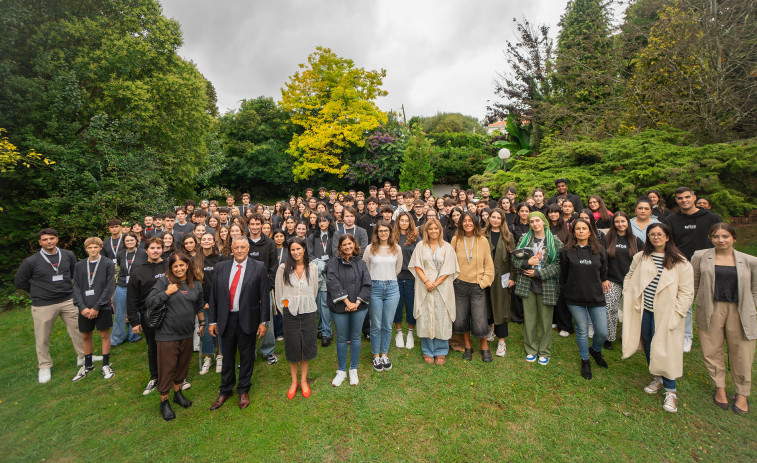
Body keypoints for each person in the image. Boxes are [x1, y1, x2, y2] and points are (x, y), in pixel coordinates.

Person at [622, 223, 694, 413]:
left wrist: (677, 313)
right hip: (645, 309)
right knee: (647, 341)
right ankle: (657, 377)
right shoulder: (641, 257)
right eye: (652, 234)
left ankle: (671, 391)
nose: (656, 237)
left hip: (667, 313)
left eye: (660, 234)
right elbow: (629, 276)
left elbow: (687, 293)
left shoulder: (681, 262)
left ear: (668, 237)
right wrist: (628, 293)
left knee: (664, 348)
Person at [692, 223, 757, 415]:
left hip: (740, 310)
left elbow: (755, 288)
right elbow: (693, 284)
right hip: (711, 308)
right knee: (711, 349)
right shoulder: (700, 257)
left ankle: (742, 392)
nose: (721, 240)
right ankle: (719, 386)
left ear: (733, 238)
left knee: (742, 351)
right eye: (716, 236)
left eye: (725, 236)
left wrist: (752, 307)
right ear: (711, 238)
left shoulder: (750, 261)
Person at [14, 228, 87, 383]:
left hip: (68, 299)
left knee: (78, 329)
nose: (49, 241)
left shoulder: (68, 255)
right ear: (40, 242)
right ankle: (44, 365)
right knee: (42, 337)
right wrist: (37, 292)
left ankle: (83, 356)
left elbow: (75, 274)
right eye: (45, 239)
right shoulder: (31, 262)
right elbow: (19, 282)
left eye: (51, 238)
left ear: (57, 239)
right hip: (43, 304)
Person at [208, 237, 271, 411]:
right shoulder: (221, 267)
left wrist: (263, 322)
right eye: (237, 247)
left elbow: (264, 297)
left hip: (248, 319)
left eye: (243, 247)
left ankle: (243, 390)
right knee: (227, 356)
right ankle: (226, 390)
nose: (240, 250)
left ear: (248, 248)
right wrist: (212, 320)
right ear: (232, 249)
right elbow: (213, 296)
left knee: (247, 357)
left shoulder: (258, 267)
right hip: (226, 319)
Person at [145, 253, 205, 421]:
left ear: (188, 265)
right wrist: (166, 293)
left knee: (182, 366)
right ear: (171, 268)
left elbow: (199, 305)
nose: (179, 269)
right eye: (175, 266)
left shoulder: (196, 284)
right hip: (167, 334)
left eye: (182, 265)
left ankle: (178, 394)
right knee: (167, 368)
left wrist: (202, 324)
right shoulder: (165, 282)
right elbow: (149, 302)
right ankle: (164, 401)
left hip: (186, 332)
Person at [664, 187, 723, 353]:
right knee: (685, 303)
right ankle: (686, 336)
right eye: (680, 198)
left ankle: (714, 334)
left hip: (708, 264)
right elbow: (668, 244)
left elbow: (721, 238)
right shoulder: (671, 220)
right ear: (676, 200)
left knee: (710, 301)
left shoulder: (712, 218)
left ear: (694, 197)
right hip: (681, 265)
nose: (684, 200)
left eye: (687, 197)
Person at [511, 212, 564, 365]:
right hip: (527, 284)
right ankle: (531, 349)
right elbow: (514, 259)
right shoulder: (524, 240)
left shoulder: (554, 241)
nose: (535, 224)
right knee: (529, 319)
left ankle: (545, 351)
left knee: (546, 321)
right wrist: (527, 262)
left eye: (537, 221)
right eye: (532, 221)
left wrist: (539, 273)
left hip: (545, 284)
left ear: (544, 222)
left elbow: (558, 265)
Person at [560, 219, 609, 380]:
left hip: (595, 296)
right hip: (575, 297)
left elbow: (603, 271)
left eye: (584, 228)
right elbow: (564, 275)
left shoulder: (599, 250)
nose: (581, 231)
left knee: (602, 331)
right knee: (582, 330)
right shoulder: (567, 252)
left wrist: (604, 280)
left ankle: (595, 349)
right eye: (578, 229)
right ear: (573, 232)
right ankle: (585, 360)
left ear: (590, 232)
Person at [408, 218, 459, 365]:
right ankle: (428, 350)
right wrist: (427, 282)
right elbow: (417, 265)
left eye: (436, 229)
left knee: (442, 316)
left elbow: (449, 268)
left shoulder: (447, 247)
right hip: (424, 285)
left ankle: (441, 350)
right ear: (426, 231)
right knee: (425, 316)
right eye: (430, 229)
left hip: (443, 286)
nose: (433, 231)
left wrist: (436, 283)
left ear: (440, 230)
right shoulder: (420, 246)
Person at [275, 237, 319, 399]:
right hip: (290, 313)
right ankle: (294, 382)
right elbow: (279, 292)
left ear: (304, 249)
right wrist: (286, 308)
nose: (296, 252)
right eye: (293, 250)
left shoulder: (312, 267)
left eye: (298, 249)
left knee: (306, 346)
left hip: (308, 312)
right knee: (293, 347)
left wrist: (305, 304)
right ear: (289, 251)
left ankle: (303, 380)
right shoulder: (283, 269)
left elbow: (313, 290)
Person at [327, 234, 372, 386]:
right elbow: (333, 283)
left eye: (350, 244)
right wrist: (346, 301)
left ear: (354, 245)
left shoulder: (361, 263)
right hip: (340, 306)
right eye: (344, 244)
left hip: (359, 307)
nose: (347, 247)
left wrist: (356, 303)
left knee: (355, 337)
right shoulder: (333, 263)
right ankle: (341, 371)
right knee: (341, 338)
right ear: (340, 247)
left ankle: (353, 369)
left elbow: (367, 284)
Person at [127, 236, 169, 395]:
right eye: (152, 248)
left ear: (163, 249)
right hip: (149, 314)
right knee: (153, 346)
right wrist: (134, 321)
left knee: (172, 345)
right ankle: (155, 376)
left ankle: (175, 375)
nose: (156, 251)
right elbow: (131, 298)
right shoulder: (138, 271)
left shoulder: (169, 266)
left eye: (158, 248)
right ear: (146, 251)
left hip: (170, 312)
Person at [451, 211, 495, 362]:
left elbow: (489, 264)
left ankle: (484, 347)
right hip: (460, 285)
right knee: (462, 317)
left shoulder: (482, 240)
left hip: (477, 285)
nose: (467, 223)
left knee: (480, 318)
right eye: (465, 220)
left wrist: (483, 282)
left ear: (475, 222)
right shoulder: (456, 240)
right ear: (461, 223)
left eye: (470, 220)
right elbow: (450, 262)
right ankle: (468, 346)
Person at [71, 237, 116, 382]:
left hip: (101, 307)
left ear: (100, 248)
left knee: (104, 334)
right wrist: (82, 307)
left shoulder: (107, 263)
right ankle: (88, 364)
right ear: (86, 249)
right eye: (90, 248)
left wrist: (97, 306)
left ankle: (105, 364)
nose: (93, 250)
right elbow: (76, 287)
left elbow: (109, 287)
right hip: (85, 307)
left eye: (95, 247)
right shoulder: (79, 265)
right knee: (85, 335)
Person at [363, 221, 402, 371]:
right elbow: (365, 269)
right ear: (376, 233)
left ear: (390, 232)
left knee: (387, 324)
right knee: (376, 324)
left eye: (386, 230)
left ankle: (384, 354)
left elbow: (397, 268)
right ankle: (375, 356)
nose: (383, 233)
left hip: (392, 288)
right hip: (375, 288)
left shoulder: (396, 248)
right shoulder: (370, 248)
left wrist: (388, 277)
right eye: (380, 231)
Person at [603, 211, 643, 350]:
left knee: (628, 311)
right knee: (610, 308)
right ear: (613, 224)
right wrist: (604, 278)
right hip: (611, 280)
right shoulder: (607, 239)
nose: (620, 224)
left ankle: (625, 336)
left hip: (630, 281)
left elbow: (644, 261)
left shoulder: (636, 241)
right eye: (617, 222)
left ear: (628, 223)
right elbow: (602, 261)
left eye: (623, 221)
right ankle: (608, 337)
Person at [246, 214, 279, 365]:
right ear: (248, 225)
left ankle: (268, 351)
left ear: (261, 225)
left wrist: (268, 287)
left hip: (265, 288)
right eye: (252, 224)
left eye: (257, 224)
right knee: (247, 322)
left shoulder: (270, 243)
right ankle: (249, 353)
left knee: (267, 322)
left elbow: (274, 267)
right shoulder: (242, 242)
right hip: (246, 290)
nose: (255, 226)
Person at [484, 209, 514, 357]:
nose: (495, 220)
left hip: (502, 276)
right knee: (487, 304)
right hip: (485, 275)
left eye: (498, 218)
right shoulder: (483, 234)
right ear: (489, 218)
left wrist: (512, 277)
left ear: (502, 220)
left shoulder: (508, 236)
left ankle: (501, 341)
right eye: (493, 217)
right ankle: (491, 328)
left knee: (501, 307)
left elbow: (513, 259)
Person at [198, 233, 227, 375]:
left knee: (220, 330)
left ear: (214, 242)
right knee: (206, 331)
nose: (207, 241)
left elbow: (225, 281)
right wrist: (202, 302)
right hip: (203, 303)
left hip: (219, 301)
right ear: (200, 241)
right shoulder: (195, 260)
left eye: (209, 239)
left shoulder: (221, 258)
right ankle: (208, 357)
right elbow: (193, 284)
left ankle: (220, 356)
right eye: (204, 239)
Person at [112, 232, 145, 346]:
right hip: (122, 286)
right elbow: (118, 269)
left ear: (136, 241)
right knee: (119, 313)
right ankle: (117, 338)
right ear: (124, 242)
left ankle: (134, 335)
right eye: (127, 241)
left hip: (137, 287)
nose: (130, 242)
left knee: (137, 312)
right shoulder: (120, 254)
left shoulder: (143, 253)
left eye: (132, 240)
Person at [393, 212, 420, 350]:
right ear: (398, 222)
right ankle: (398, 332)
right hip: (396, 276)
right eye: (401, 220)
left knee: (411, 306)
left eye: (406, 221)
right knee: (397, 306)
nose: (404, 223)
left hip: (411, 277)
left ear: (410, 222)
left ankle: (410, 333)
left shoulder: (416, 237)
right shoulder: (393, 237)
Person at [307, 213, 335, 346]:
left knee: (324, 303)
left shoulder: (334, 236)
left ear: (329, 222)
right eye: (320, 221)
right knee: (317, 303)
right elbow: (309, 253)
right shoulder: (313, 236)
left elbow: (335, 253)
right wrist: (318, 266)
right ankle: (320, 329)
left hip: (329, 272)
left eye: (325, 221)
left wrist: (327, 266)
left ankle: (326, 333)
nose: (322, 223)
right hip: (315, 271)